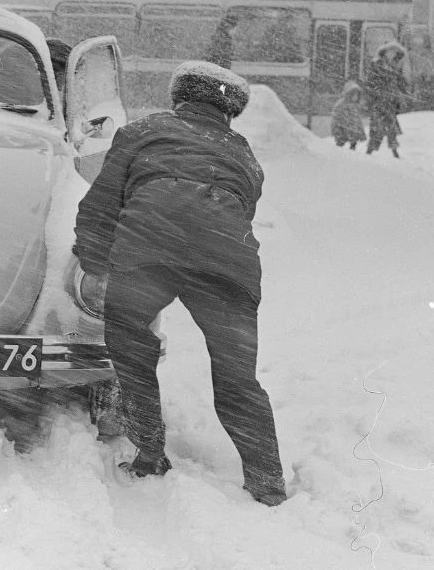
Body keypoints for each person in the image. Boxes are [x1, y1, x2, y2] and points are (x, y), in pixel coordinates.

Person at [72, 60, 288, 506]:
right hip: (228, 261)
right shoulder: (243, 153)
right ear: (228, 113)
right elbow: (242, 207)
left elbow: (101, 204)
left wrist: (95, 265)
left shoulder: (142, 131)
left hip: (151, 247)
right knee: (237, 379)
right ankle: (268, 484)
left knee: (132, 350)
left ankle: (150, 453)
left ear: (179, 99)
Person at [363, 41, 408, 158]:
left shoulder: (394, 67)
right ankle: (370, 150)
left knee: (390, 128)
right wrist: (381, 94)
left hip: (389, 103)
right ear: (385, 53)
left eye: (395, 53)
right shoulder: (377, 65)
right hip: (379, 102)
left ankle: (393, 151)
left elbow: (398, 85)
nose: (392, 55)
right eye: (391, 52)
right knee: (378, 127)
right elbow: (370, 84)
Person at [330, 80, 367, 151]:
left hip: (352, 133)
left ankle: (351, 157)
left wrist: (361, 132)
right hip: (342, 130)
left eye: (357, 95)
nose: (355, 97)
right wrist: (337, 130)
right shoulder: (341, 105)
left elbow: (358, 120)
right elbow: (336, 119)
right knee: (340, 145)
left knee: (353, 145)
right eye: (353, 94)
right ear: (349, 94)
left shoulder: (356, 106)